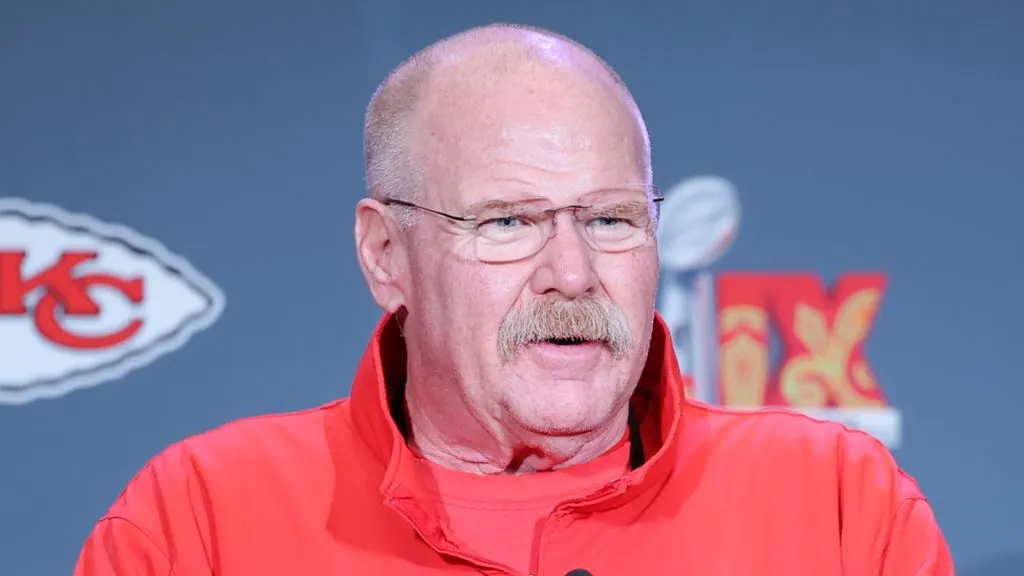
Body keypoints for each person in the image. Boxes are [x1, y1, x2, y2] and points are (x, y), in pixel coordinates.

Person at [74, 23, 953, 576]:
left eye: (610, 218)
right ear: (386, 255)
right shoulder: (198, 520)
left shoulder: (839, 507)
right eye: (506, 222)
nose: (571, 273)